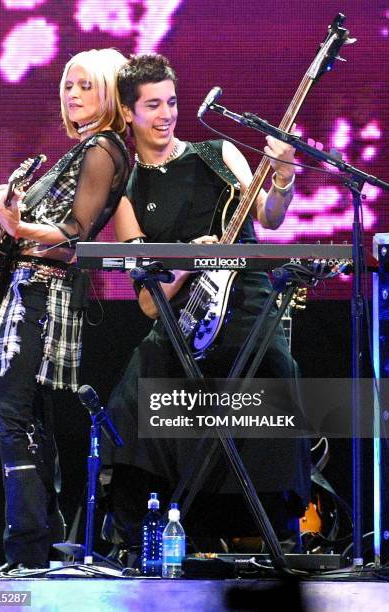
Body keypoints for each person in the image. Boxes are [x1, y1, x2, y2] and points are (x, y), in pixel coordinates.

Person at [103, 53, 310, 551]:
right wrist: (188, 260)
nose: (167, 114)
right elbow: (150, 304)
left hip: (244, 302)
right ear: (128, 112)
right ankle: (149, 532)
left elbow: (271, 216)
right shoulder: (128, 192)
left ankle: (268, 531)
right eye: (153, 105)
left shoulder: (218, 152)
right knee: (136, 397)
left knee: (274, 377)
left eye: (172, 102)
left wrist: (281, 174)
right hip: (183, 320)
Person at [0, 48, 130, 573]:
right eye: (68, 84)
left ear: (110, 92)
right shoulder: (85, 149)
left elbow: (75, 233)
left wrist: (17, 227)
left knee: (13, 418)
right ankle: (39, 551)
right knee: (29, 422)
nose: (73, 94)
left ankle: (26, 554)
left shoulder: (103, 149)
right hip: (35, 292)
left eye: (86, 85)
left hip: (42, 296)